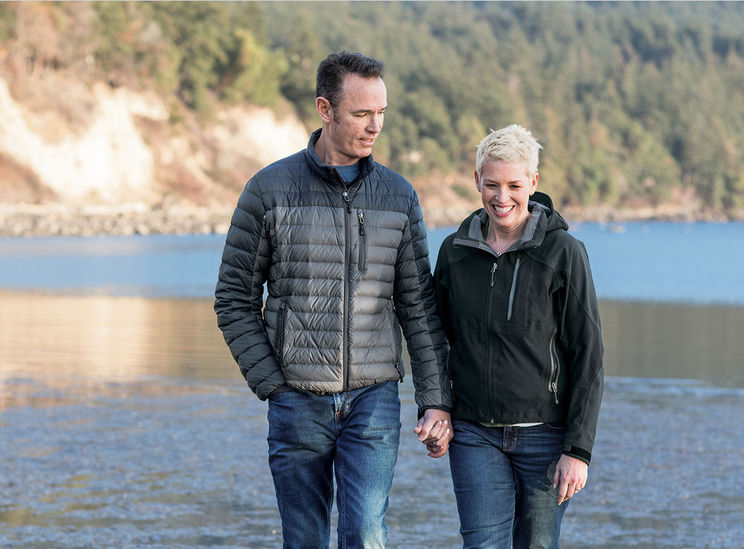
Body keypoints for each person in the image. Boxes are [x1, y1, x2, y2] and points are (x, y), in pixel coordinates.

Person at [213, 50, 452, 548]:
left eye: (381, 113)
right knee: (304, 539)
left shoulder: (398, 196)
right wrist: (273, 384)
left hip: (374, 397)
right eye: (362, 114)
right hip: (296, 398)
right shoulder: (269, 190)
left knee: (366, 534)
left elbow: (418, 306)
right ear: (325, 109)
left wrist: (434, 399)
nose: (375, 127)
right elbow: (234, 299)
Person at [433, 124, 604, 549]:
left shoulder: (564, 252)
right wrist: (435, 405)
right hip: (475, 433)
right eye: (491, 184)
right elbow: (434, 338)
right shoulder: (455, 252)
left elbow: (588, 355)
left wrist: (578, 450)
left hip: (546, 438)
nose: (501, 197)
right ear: (476, 181)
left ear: (533, 182)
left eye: (513, 184)